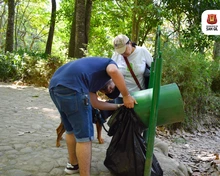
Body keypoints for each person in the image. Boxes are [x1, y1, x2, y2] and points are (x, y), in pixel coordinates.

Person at [48, 57, 137, 176]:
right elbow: (114, 71)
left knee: (70, 130)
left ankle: (73, 165)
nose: (108, 90)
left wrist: (118, 106)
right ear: (113, 81)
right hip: (73, 87)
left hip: (54, 87)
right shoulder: (109, 64)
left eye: (108, 93)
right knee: (85, 137)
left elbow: (95, 103)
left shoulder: (90, 79)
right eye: (112, 88)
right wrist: (126, 96)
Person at [111, 34, 153, 103]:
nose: (123, 53)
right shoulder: (116, 55)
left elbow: (153, 69)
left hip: (140, 95)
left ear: (130, 43)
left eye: (124, 50)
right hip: (121, 96)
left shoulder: (142, 51)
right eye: (120, 52)